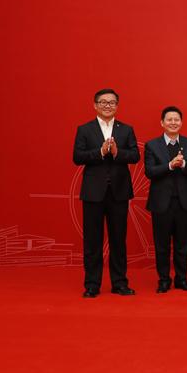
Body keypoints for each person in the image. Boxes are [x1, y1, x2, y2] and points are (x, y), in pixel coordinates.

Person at [73, 88, 140, 298]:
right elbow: (77, 157)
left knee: (118, 240)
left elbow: (135, 156)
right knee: (92, 241)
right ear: (95, 105)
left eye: (112, 102)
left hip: (119, 192)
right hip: (93, 192)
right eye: (103, 102)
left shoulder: (126, 129)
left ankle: (119, 283)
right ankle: (92, 284)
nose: (107, 106)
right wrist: (100, 152)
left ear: (117, 106)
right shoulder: (85, 129)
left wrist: (117, 152)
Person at [144, 106, 187, 293]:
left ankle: (181, 279)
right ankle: (164, 280)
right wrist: (169, 165)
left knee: (183, 244)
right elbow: (150, 172)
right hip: (161, 203)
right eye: (169, 120)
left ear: (181, 123)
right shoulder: (152, 145)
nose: (173, 123)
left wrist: (183, 164)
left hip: (184, 202)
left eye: (177, 120)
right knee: (162, 245)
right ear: (162, 123)